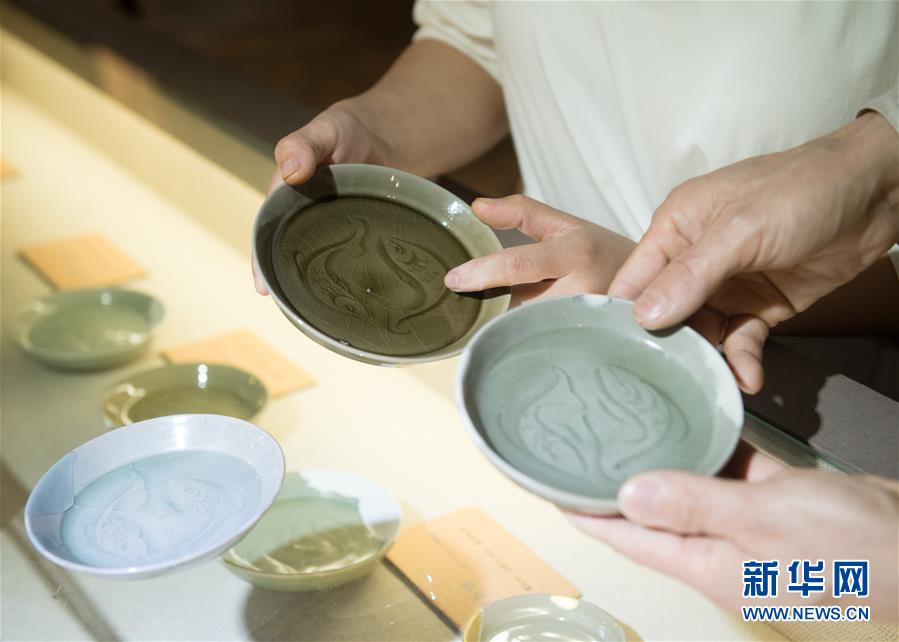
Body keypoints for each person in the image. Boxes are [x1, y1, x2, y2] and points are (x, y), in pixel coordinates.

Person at [257, 0, 899, 620]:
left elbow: (854, 586)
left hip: (796, 401)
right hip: (529, 373)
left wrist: (666, 282)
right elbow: (477, 37)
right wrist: (380, 129)